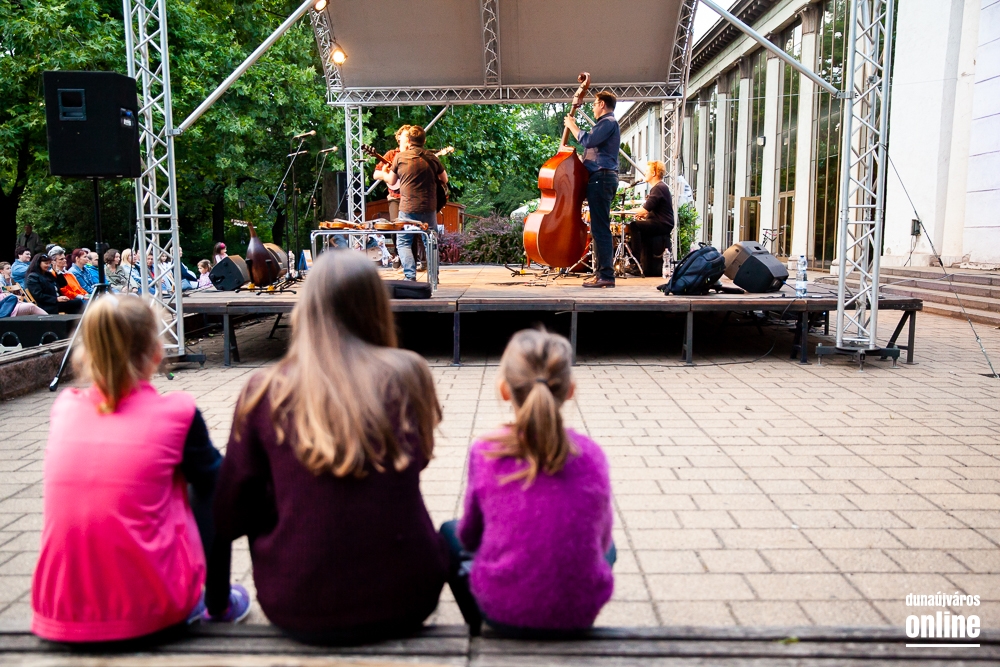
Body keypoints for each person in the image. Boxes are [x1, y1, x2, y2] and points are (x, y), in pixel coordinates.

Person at [207, 250, 448, 643]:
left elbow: (231, 511)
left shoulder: (264, 390)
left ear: (308, 307)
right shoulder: (408, 373)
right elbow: (416, 461)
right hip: (408, 596)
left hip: (298, 604)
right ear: (377, 306)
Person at [31, 295, 249, 643]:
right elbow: (219, 492)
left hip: (58, 611)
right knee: (210, 481)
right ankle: (218, 604)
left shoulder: (64, 408)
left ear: (86, 354)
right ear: (157, 352)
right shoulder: (177, 413)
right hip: (153, 611)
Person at [442, 329, 614, 637]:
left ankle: (479, 629)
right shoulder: (592, 455)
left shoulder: (487, 452)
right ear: (570, 390)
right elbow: (601, 541)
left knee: (447, 533)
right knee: (611, 548)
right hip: (578, 615)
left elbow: (469, 536)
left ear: (504, 390)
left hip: (503, 612)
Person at [564, 90, 621, 289]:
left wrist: (572, 125)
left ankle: (606, 275)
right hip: (600, 178)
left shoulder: (608, 122)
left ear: (602, 104)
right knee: (598, 228)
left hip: (601, 178)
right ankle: (601, 274)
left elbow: (588, 140)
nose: (593, 107)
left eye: (595, 104)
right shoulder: (606, 124)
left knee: (600, 228)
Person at [376, 125, 448, 281]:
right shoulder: (432, 158)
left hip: (407, 208)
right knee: (430, 241)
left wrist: (384, 173)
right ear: (424, 141)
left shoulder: (400, 158)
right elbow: (444, 179)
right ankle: (433, 277)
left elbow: (391, 181)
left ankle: (410, 277)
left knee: (403, 242)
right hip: (429, 207)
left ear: (408, 140)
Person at [630, 160, 675, 278]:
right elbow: (654, 209)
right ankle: (644, 264)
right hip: (662, 222)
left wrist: (628, 212)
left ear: (654, 173)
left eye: (647, 171)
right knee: (640, 226)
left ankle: (635, 263)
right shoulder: (660, 187)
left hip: (662, 224)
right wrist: (645, 215)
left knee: (635, 226)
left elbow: (645, 209)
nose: (645, 173)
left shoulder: (658, 188)